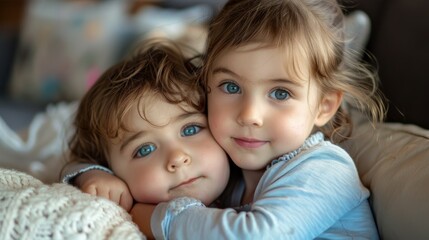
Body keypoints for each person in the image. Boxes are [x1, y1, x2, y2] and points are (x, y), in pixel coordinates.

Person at [130, 0, 386, 239]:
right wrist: (94, 174)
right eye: (230, 87)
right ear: (205, 85)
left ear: (324, 106)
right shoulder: (226, 175)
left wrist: (154, 218)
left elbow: (255, 235)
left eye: (280, 93)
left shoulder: (326, 170)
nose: (249, 115)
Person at [60, 39, 231, 226]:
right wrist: (94, 175)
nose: (177, 157)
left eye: (190, 129)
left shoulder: (252, 181)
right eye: (145, 149)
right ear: (112, 169)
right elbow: (73, 166)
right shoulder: (122, 221)